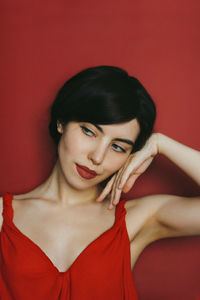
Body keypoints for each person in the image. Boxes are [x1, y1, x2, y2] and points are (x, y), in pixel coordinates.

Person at [0, 66, 199, 300]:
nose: (97, 157)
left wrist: (161, 144)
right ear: (61, 122)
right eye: (89, 131)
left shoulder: (136, 220)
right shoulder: (3, 216)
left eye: (118, 147)